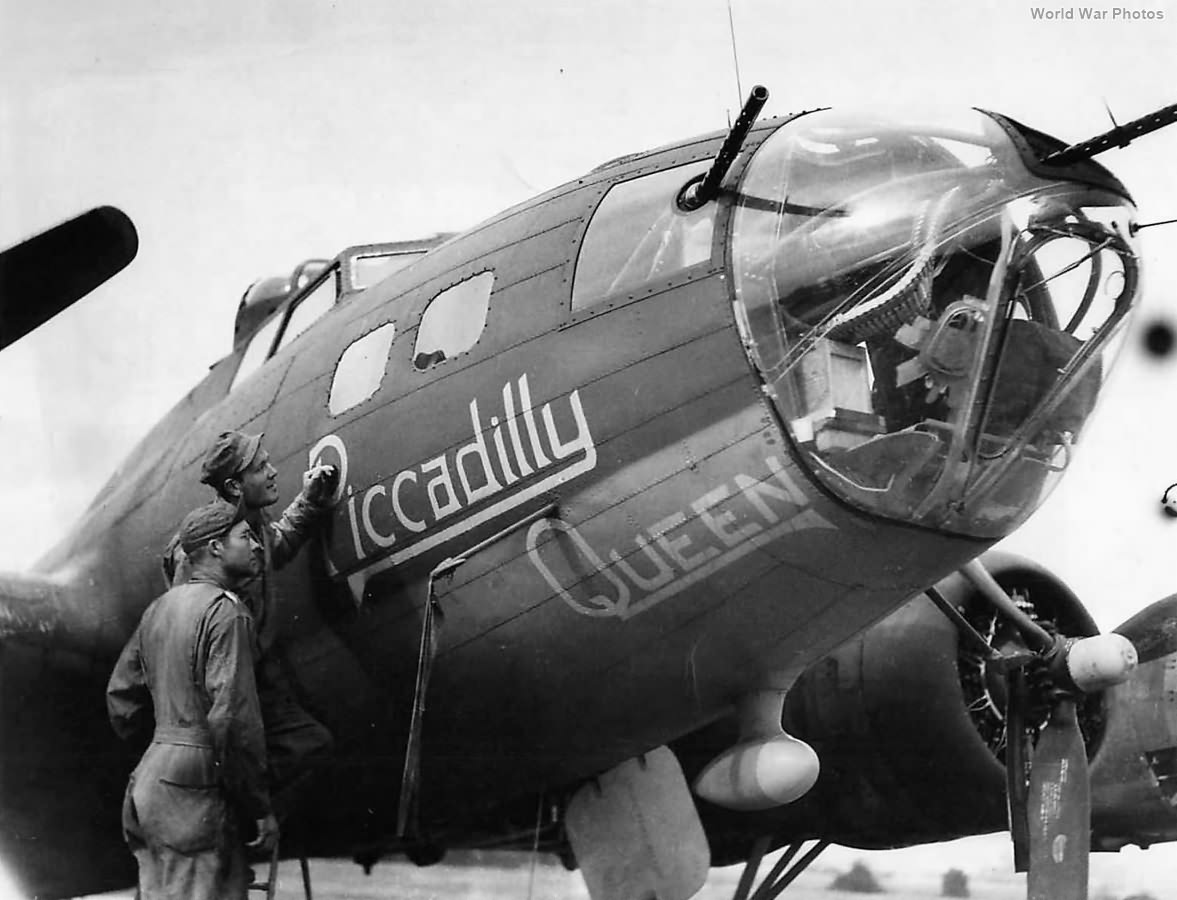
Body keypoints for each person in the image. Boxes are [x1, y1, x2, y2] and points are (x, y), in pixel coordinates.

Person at [164, 430, 337, 824]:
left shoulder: (252, 524)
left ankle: (235, 803)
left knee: (310, 743)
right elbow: (186, 626)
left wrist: (309, 500)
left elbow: (278, 544)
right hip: (219, 681)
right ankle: (226, 806)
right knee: (243, 750)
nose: (273, 472)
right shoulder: (202, 543)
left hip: (255, 673)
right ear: (233, 485)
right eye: (261, 468)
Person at [108, 501, 277, 899]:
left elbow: (121, 698)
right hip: (195, 790)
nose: (256, 546)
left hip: (153, 783)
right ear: (216, 548)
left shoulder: (158, 610)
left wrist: (165, 747)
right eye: (245, 536)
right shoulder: (225, 612)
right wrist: (259, 806)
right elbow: (233, 720)